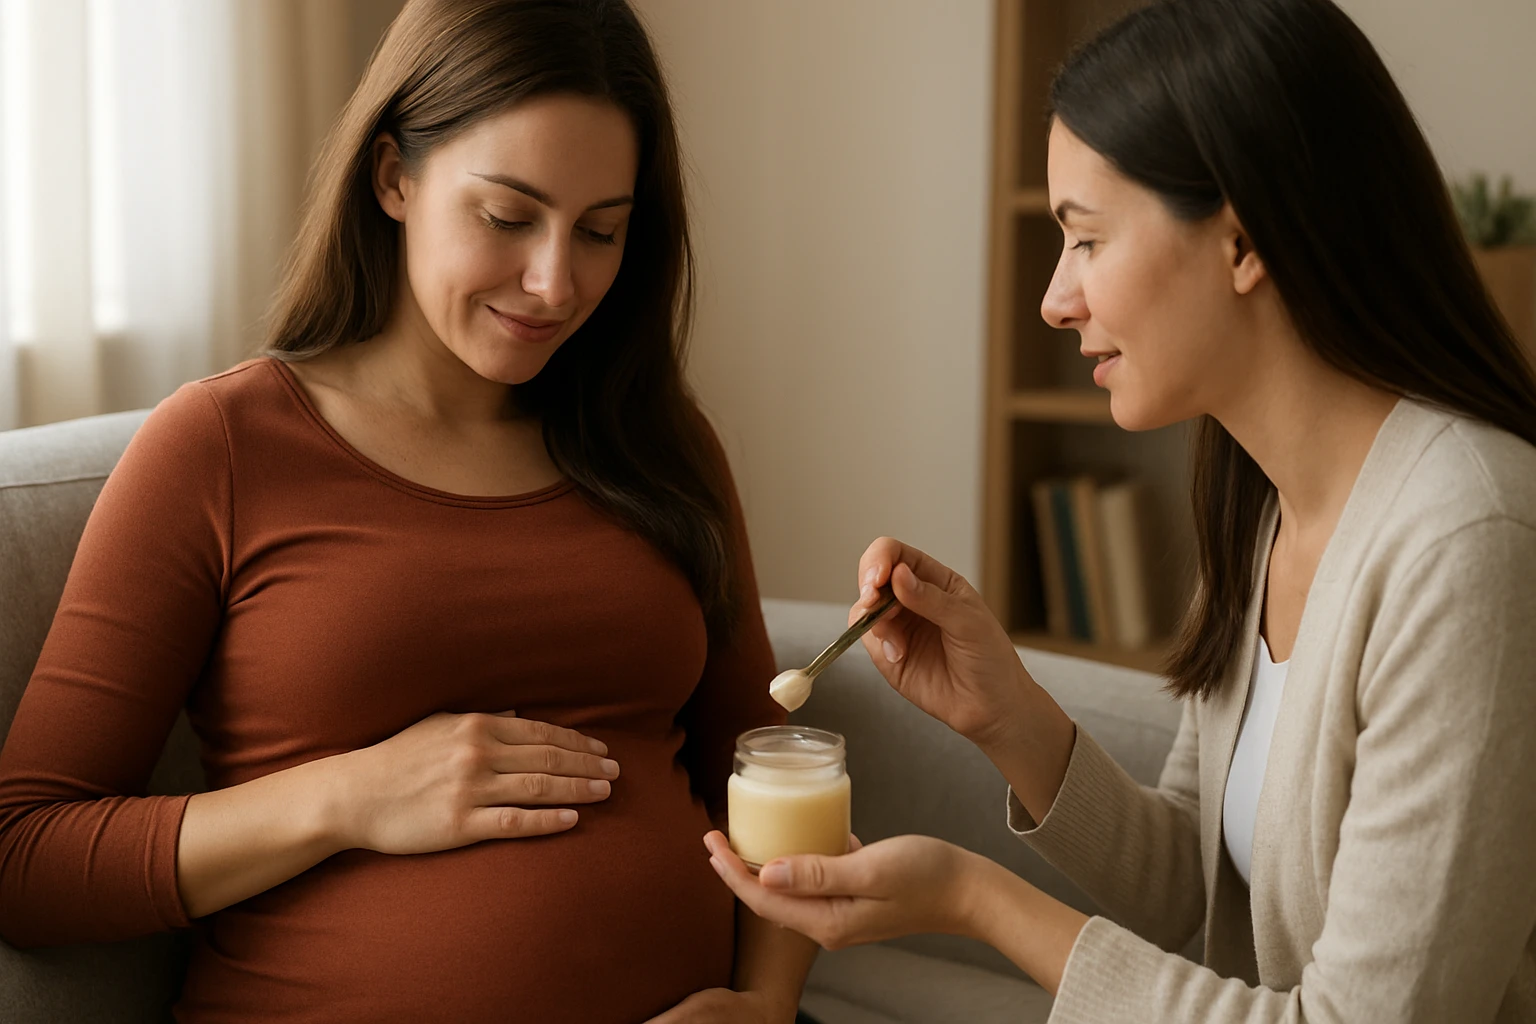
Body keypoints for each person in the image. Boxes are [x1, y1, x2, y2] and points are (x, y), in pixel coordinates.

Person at [705, 0, 1536, 1020]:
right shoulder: (1268, 504)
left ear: (1243, 239)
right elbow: (1192, 878)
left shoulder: (1468, 538)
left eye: (1086, 239)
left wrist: (973, 898)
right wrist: (1004, 709)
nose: (1056, 299)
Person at [0, 1, 815, 1021]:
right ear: (394, 176)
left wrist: (766, 1006)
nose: (556, 281)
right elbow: (24, 857)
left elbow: (774, 772)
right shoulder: (222, 445)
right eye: (508, 216)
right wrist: (352, 796)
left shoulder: (661, 445)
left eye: (601, 230)